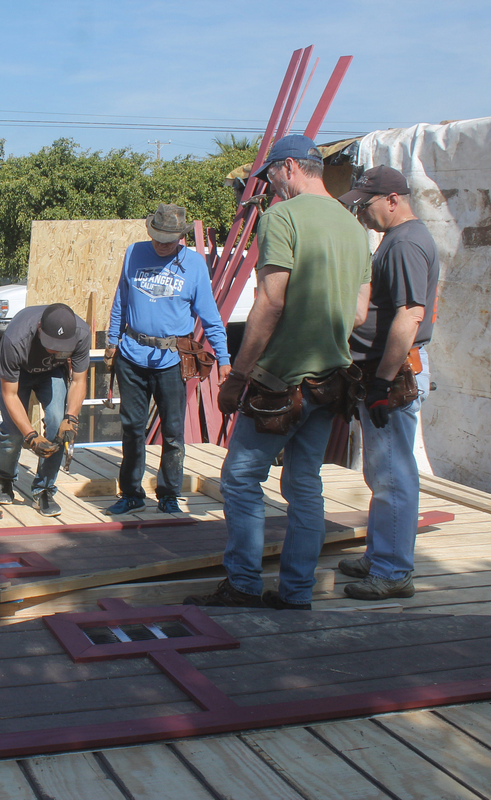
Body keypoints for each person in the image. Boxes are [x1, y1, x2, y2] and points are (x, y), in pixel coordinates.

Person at [185, 134, 371, 610]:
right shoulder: (353, 227)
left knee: (240, 479)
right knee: (305, 486)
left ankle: (244, 585)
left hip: (281, 382)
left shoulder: (281, 218)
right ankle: (296, 593)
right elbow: (357, 313)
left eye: (269, 175)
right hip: (330, 381)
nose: (269, 185)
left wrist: (237, 377)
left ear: (288, 167)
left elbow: (269, 302)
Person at [337, 166, 439, 600]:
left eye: (366, 204)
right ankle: (381, 555)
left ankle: (393, 570)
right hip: (386, 370)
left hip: (393, 372)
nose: (361, 212)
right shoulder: (398, 240)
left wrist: (382, 381)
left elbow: (410, 315)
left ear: (393, 200)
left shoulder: (405, 243)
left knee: (393, 475)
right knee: (382, 472)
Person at [105, 203, 232, 516]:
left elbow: (211, 318)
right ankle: (131, 494)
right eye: (158, 238)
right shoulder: (134, 253)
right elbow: (121, 298)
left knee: (173, 432)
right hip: (132, 355)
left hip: (172, 361)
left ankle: (168, 494)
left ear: (181, 237)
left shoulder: (194, 265)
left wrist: (224, 358)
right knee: (132, 429)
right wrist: (111, 340)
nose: (162, 244)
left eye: (169, 240)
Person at [0, 303, 91, 517]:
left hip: (52, 371)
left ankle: (44, 489)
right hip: (18, 374)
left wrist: (71, 418)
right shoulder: (15, 339)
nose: (54, 349)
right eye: (50, 344)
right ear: (39, 328)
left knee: (57, 424)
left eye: (60, 346)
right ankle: (5, 479)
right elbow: (10, 395)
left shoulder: (81, 334)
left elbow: (79, 381)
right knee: (14, 431)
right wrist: (31, 436)